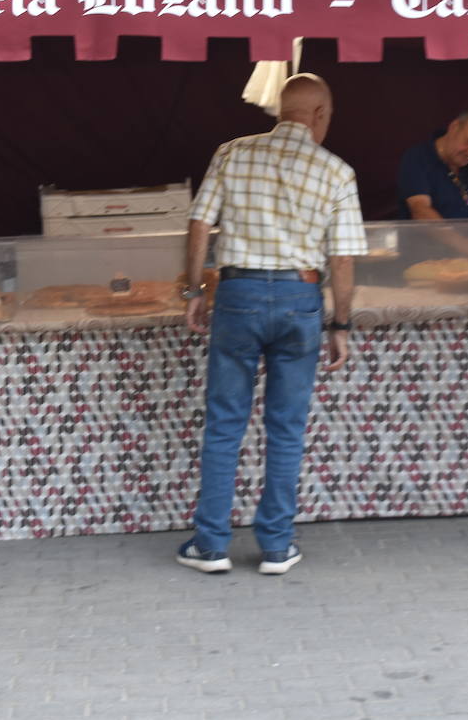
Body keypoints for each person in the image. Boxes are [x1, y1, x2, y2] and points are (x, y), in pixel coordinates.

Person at [176, 72, 368, 576]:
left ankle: (211, 545)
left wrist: (194, 291)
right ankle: (277, 547)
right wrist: (341, 324)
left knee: (224, 423)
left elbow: (199, 224)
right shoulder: (337, 172)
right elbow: (343, 260)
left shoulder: (232, 153)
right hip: (299, 298)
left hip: (236, 294)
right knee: (285, 428)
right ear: (321, 115)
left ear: (281, 111)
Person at [397, 108, 468, 220]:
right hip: (427, 237)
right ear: (454, 127)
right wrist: (458, 238)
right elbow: (420, 210)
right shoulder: (417, 157)